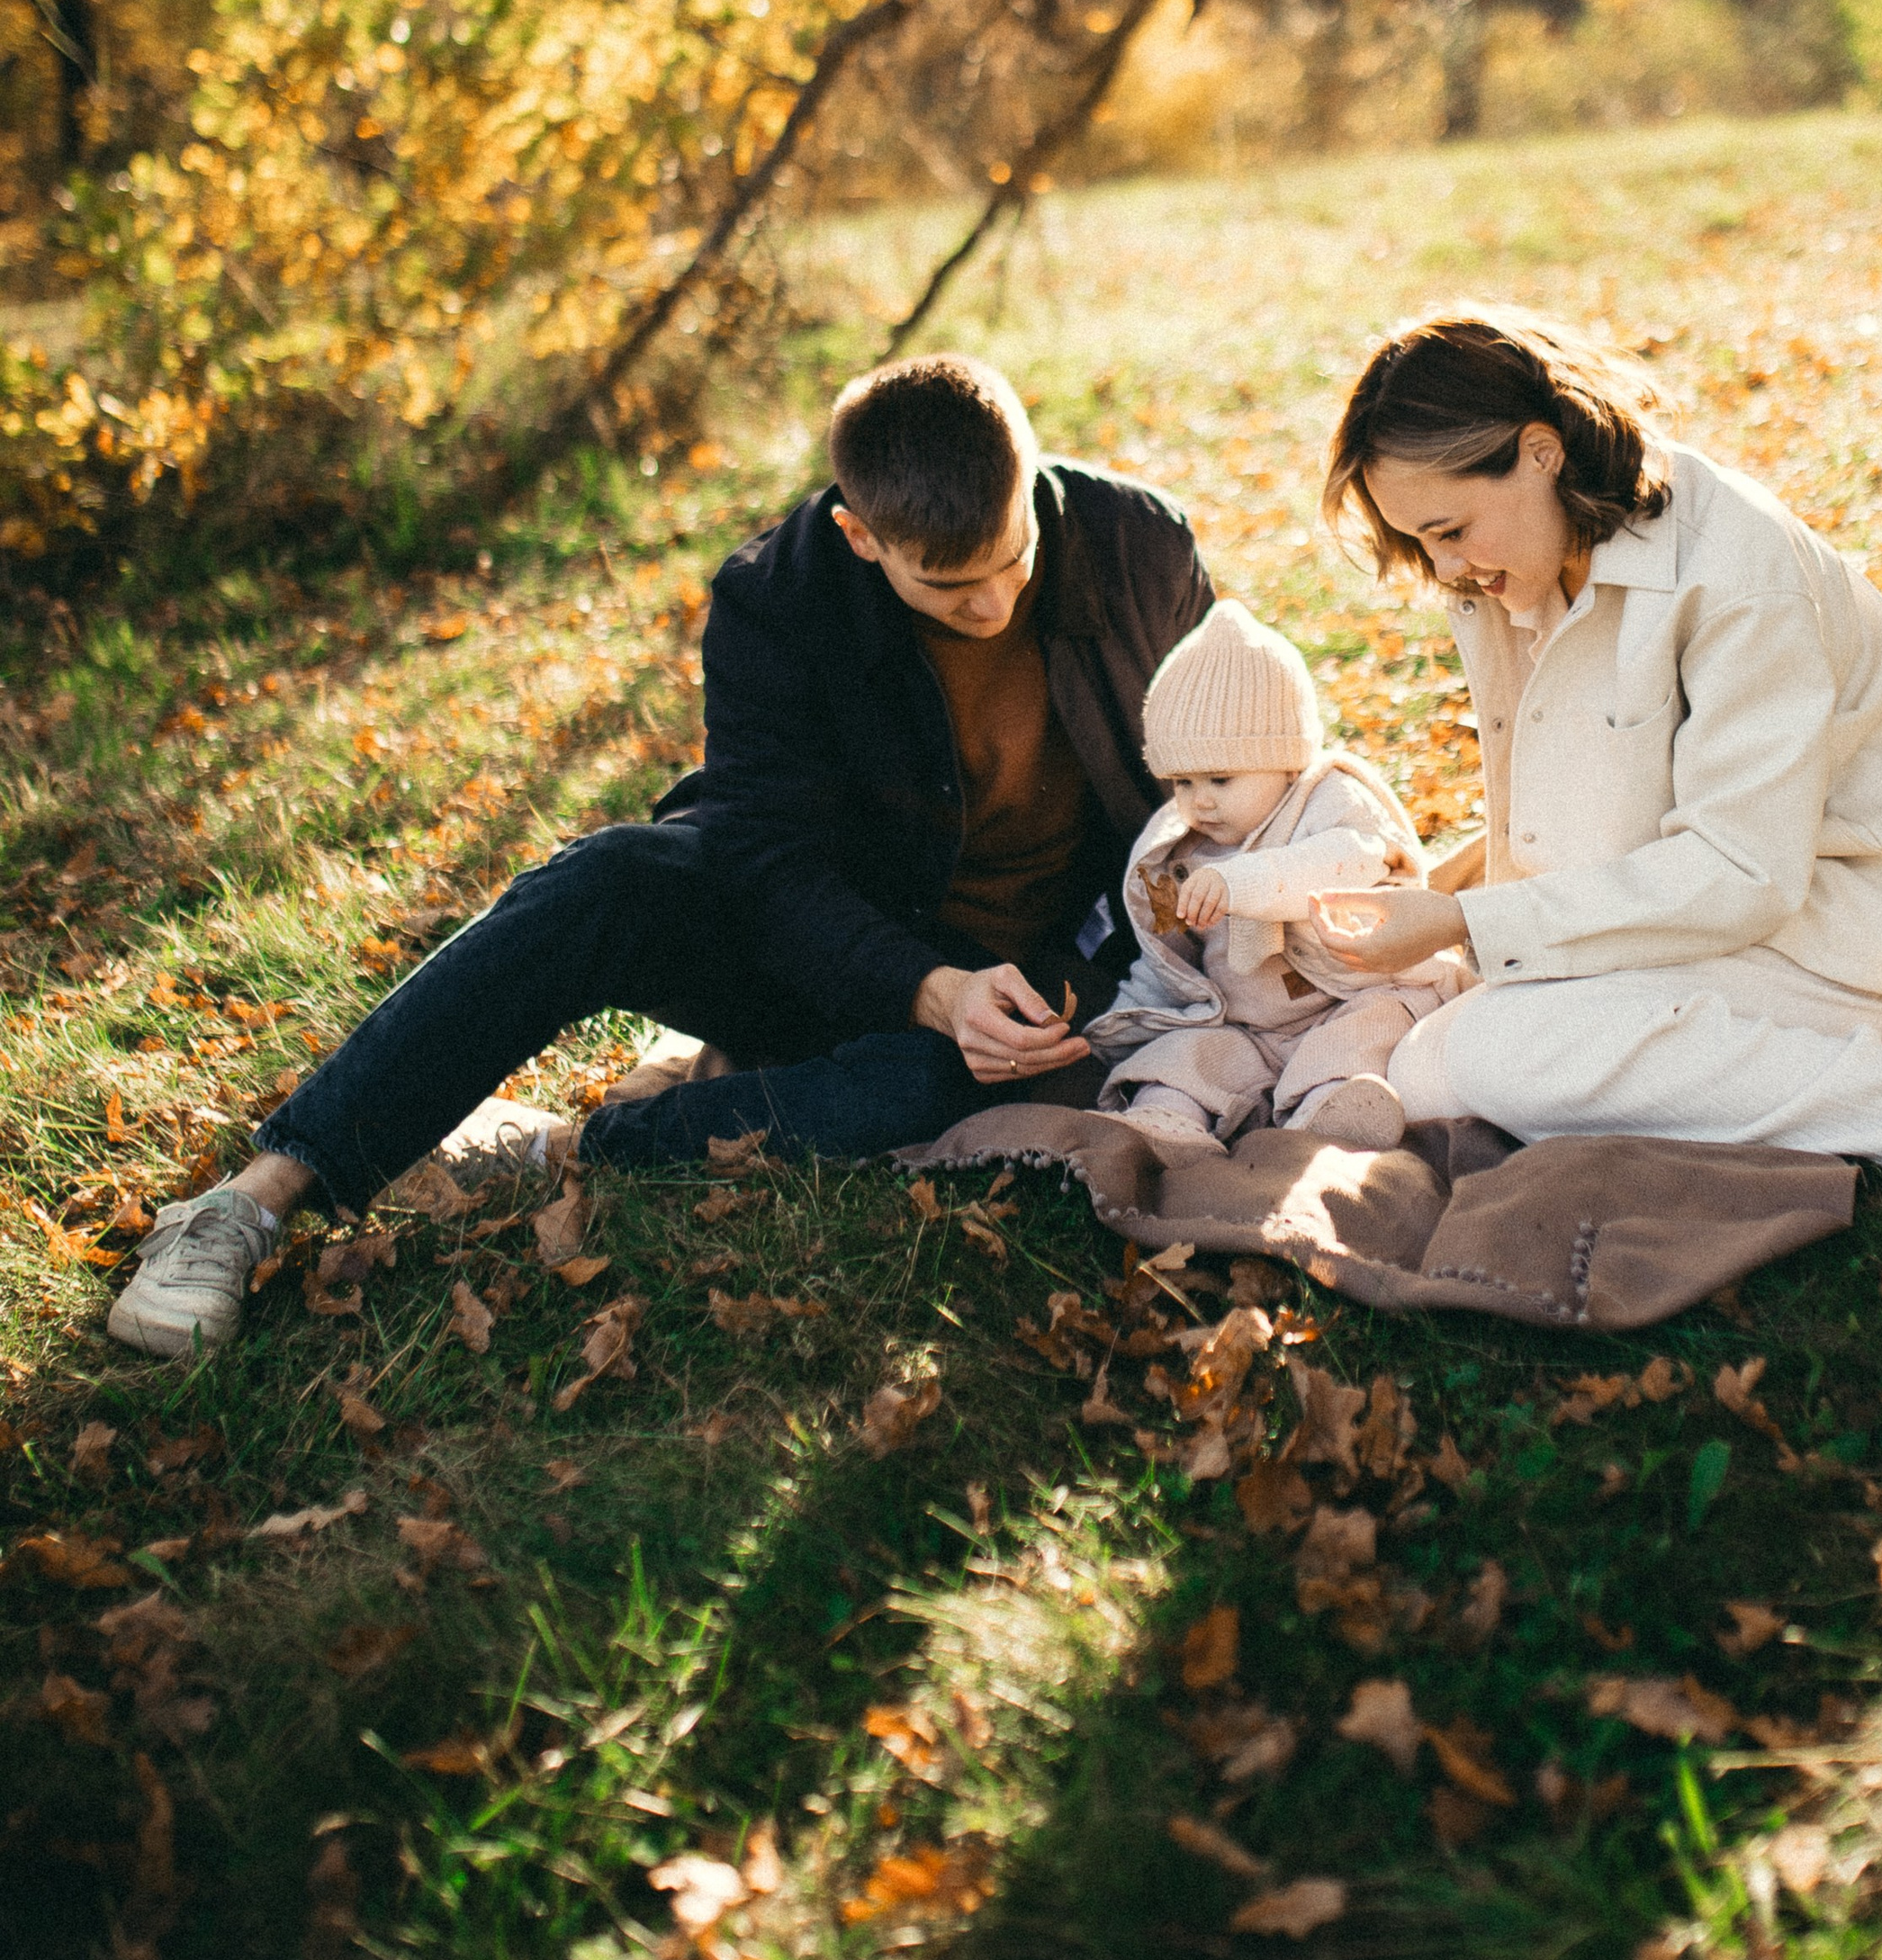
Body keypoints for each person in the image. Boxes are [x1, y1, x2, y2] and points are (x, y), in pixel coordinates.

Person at [108, 355, 1214, 1359]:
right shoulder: (775, 600)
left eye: (1012, 559)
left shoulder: (1138, 544)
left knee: (928, 1095)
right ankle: (251, 1199)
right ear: (861, 537)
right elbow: (767, 861)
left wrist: (1133, 960)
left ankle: (585, 1144)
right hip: (835, 940)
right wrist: (922, 986)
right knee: (605, 877)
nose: (993, 601)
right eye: (945, 584)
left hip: (1039, 981)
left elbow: (1222, 755)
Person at [1309, 310, 1882, 1249]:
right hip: (1706, 910)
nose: (1444, 568)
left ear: (1538, 452)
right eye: (1420, 544)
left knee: (1499, 1058)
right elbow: (1606, 786)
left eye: (1450, 530)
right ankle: (1764, 1073)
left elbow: (1745, 872)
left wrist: (1471, 926)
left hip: (1837, 923)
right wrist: (1445, 888)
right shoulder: (1522, 568)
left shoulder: (1733, 573)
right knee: (1425, 1071)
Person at [1088, 598, 1463, 1157]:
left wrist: (1245, 882)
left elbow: (1345, 861)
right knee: (1185, 1053)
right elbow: (1168, 958)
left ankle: (1329, 1111)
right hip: (1248, 1025)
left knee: (1367, 1032)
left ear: (1287, 761)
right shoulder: (1177, 852)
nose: (1201, 802)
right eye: (1183, 783)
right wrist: (1125, 1020)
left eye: (1220, 778)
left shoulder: (1327, 801)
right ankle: (1168, 1118)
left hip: (1345, 996)